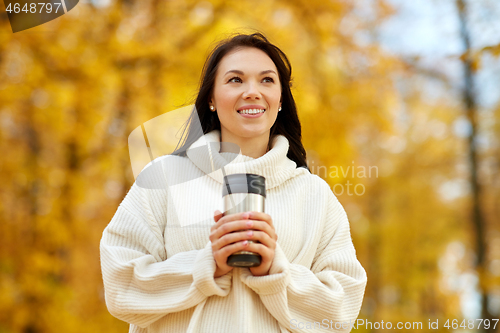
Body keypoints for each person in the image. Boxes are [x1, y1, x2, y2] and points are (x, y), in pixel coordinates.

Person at [100, 32, 367, 333]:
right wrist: (207, 264)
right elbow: (120, 286)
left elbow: (341, 311)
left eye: (267, 80)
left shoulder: (315, 195)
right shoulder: (164, 178)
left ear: (280, 100)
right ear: (211, 98)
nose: (252, 91)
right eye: (235, 80)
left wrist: (275, 272)